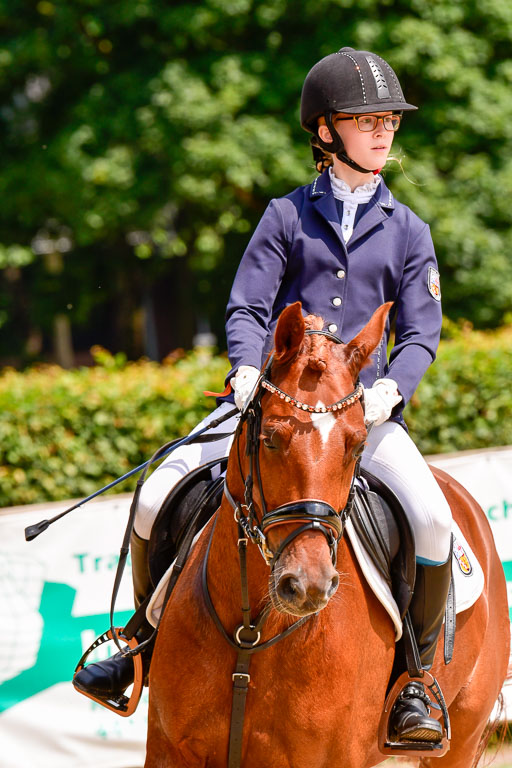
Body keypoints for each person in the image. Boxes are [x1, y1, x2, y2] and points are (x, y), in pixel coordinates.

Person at [74, 46, 452, 746]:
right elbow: (248, 306)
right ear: (326, 130)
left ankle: (416, 681)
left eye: (390, 121)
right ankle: (138, 643)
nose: (383, 132)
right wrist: (247, 369)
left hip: (357, 418)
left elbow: (422, 332)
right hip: (270, 405)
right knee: (159, 492)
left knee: (431, 520)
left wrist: (389, 392)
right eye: (367, 120)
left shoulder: (409, 231)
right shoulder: (285, 216)